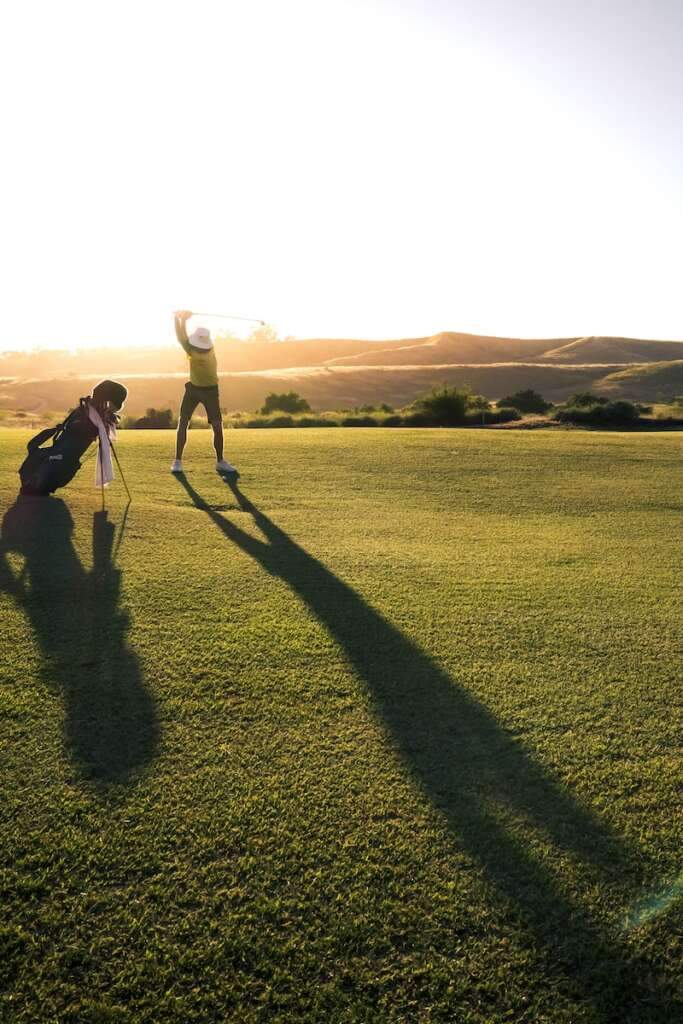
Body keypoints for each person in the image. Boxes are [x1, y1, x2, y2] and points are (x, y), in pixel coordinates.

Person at [170, 310, 239, 476]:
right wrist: (179, 318)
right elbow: (181, 336)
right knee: (183, 422)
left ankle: (220, 462)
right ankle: (177, 461)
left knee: (217, 426)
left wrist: (181, 319)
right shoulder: (198, 348)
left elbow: (181, 336)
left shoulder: (194, 349)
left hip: (210, 391)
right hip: (193, 389)